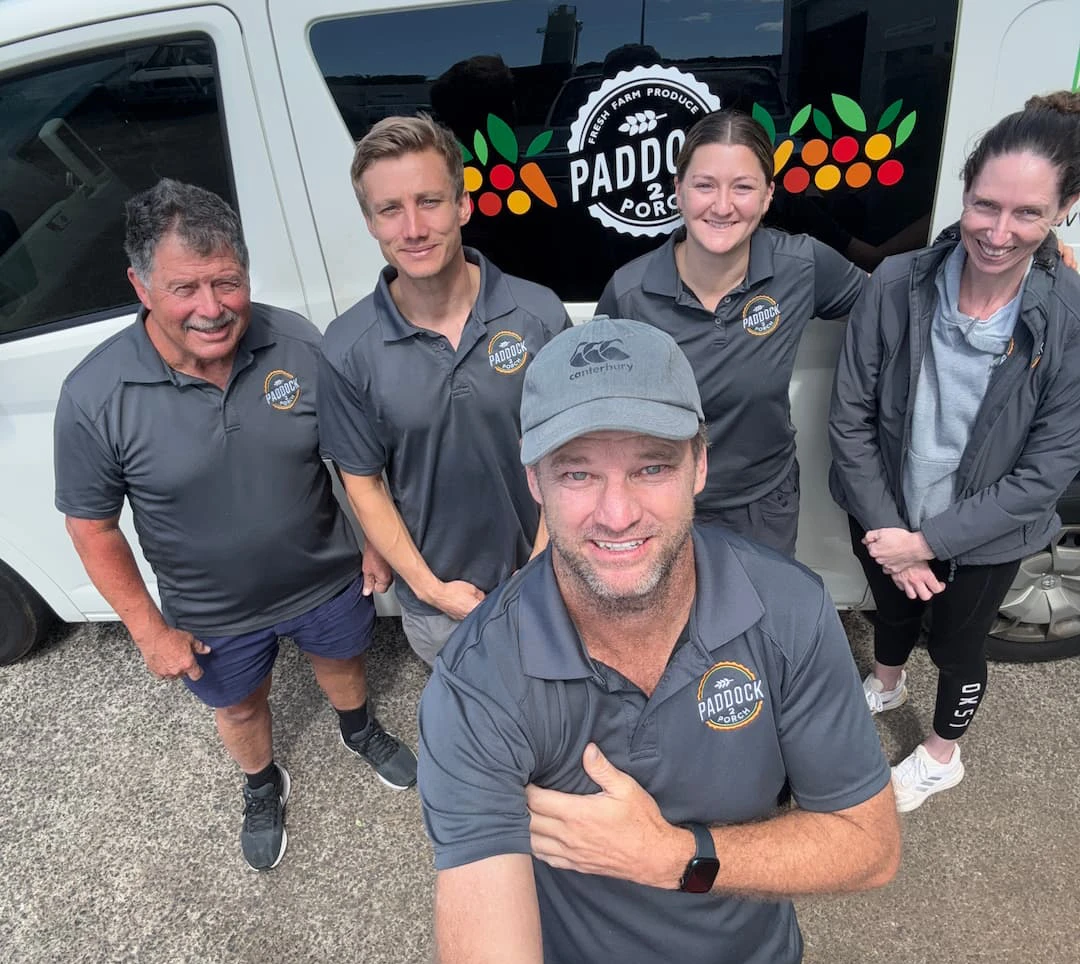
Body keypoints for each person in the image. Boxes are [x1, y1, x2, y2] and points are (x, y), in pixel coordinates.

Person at [418, 315, 901, 963]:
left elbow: (869, 846)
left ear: (699, 466)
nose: (617, 514)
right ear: (534, 481)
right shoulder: (478, 682)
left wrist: (675, 856)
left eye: (651, 467)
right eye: (578, 473)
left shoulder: (787, 610)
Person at [54, 179, 417, 872]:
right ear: (140, 285)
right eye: (185, 289)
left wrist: (372, 537)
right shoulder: (95, 395)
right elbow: (92, 527)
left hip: (324, 573)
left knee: (342, 661)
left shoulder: (298, 343)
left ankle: (358, 729)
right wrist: (148, 629)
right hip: (212, 611)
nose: (213, 309)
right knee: (243, 709)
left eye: (228, 282)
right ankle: (261, 784)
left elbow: (347, 455)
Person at [828, 92, 1080, 812]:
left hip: (982, 535)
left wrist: (927, 544)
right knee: (891, 616)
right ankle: (884, 682)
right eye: (985, 205)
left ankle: (942, 756)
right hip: (884, 512)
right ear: (964, 192)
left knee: (959, 650)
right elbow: (849, 418)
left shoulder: (1069, 321)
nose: (998, 232)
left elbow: (1044, 476)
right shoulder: (895, 285)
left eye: (1027, 213)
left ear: (1064, 209)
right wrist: (891, 534)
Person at [318, 114, 571, 666]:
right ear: (370, 222)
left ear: (462, 205)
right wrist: (432, 591)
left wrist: (543, 566)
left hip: (550, 581)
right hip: (439, 608)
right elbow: (363, 485)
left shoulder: (538, 315)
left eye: (429, 201)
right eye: (390, 209)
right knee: (477, 733)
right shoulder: (346, 348)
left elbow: (570, 455)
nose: (412, 228)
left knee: (564, 720)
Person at [596, 109, 868, 556]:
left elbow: (890, 310)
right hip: (663, 506)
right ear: (678, 192)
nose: (722, 206)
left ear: (767, 197)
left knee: (763, 620)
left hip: (763, 503)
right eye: (704, 185)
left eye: (743, 187)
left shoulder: (802, 267)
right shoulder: (630, 293)